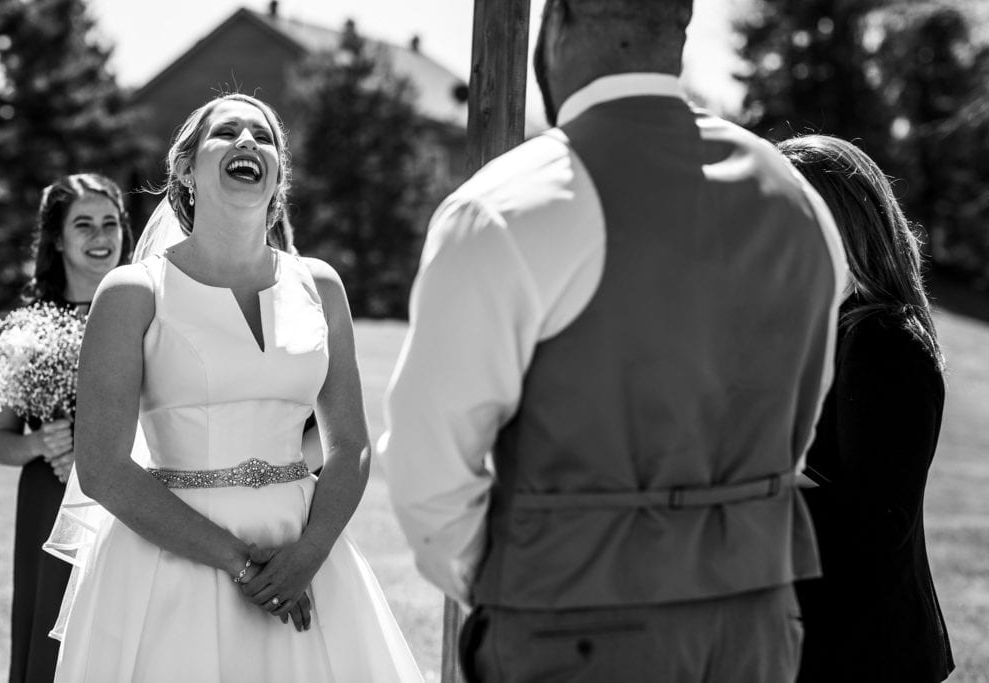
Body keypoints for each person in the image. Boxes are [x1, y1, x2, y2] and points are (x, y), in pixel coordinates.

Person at [378, 1, 848, 681]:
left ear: (559, 21)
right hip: (756, 623)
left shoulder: (509, 205)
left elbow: (430, 473)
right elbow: (797, 428)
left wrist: (522, 577)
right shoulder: (798, 200)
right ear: (682, 26)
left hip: (573, 623)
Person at [51, 93, 421, 681]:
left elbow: (349, 446)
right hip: (166, 566)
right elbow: (101, 468)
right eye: (226, 133)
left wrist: (308, 554)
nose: (248, 142)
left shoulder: (319, 286)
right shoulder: (133, 292)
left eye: (263, 135)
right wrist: (243, 566)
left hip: (305, 557)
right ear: (185, 170)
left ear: (278, 176)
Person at [779, 135, 954, 682]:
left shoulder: (883, 340)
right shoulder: (822, 327)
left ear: (845, 226)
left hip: (869, 656)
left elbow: (877, 525)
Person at [0, 173, 132, 683]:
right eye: (84, 225)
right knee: (50, 622)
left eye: (110, 223)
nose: (101, 237)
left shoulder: (151, 313)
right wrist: (37, 442)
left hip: (130, 495)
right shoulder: (27, 327)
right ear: (56, 238)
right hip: (49, 503)